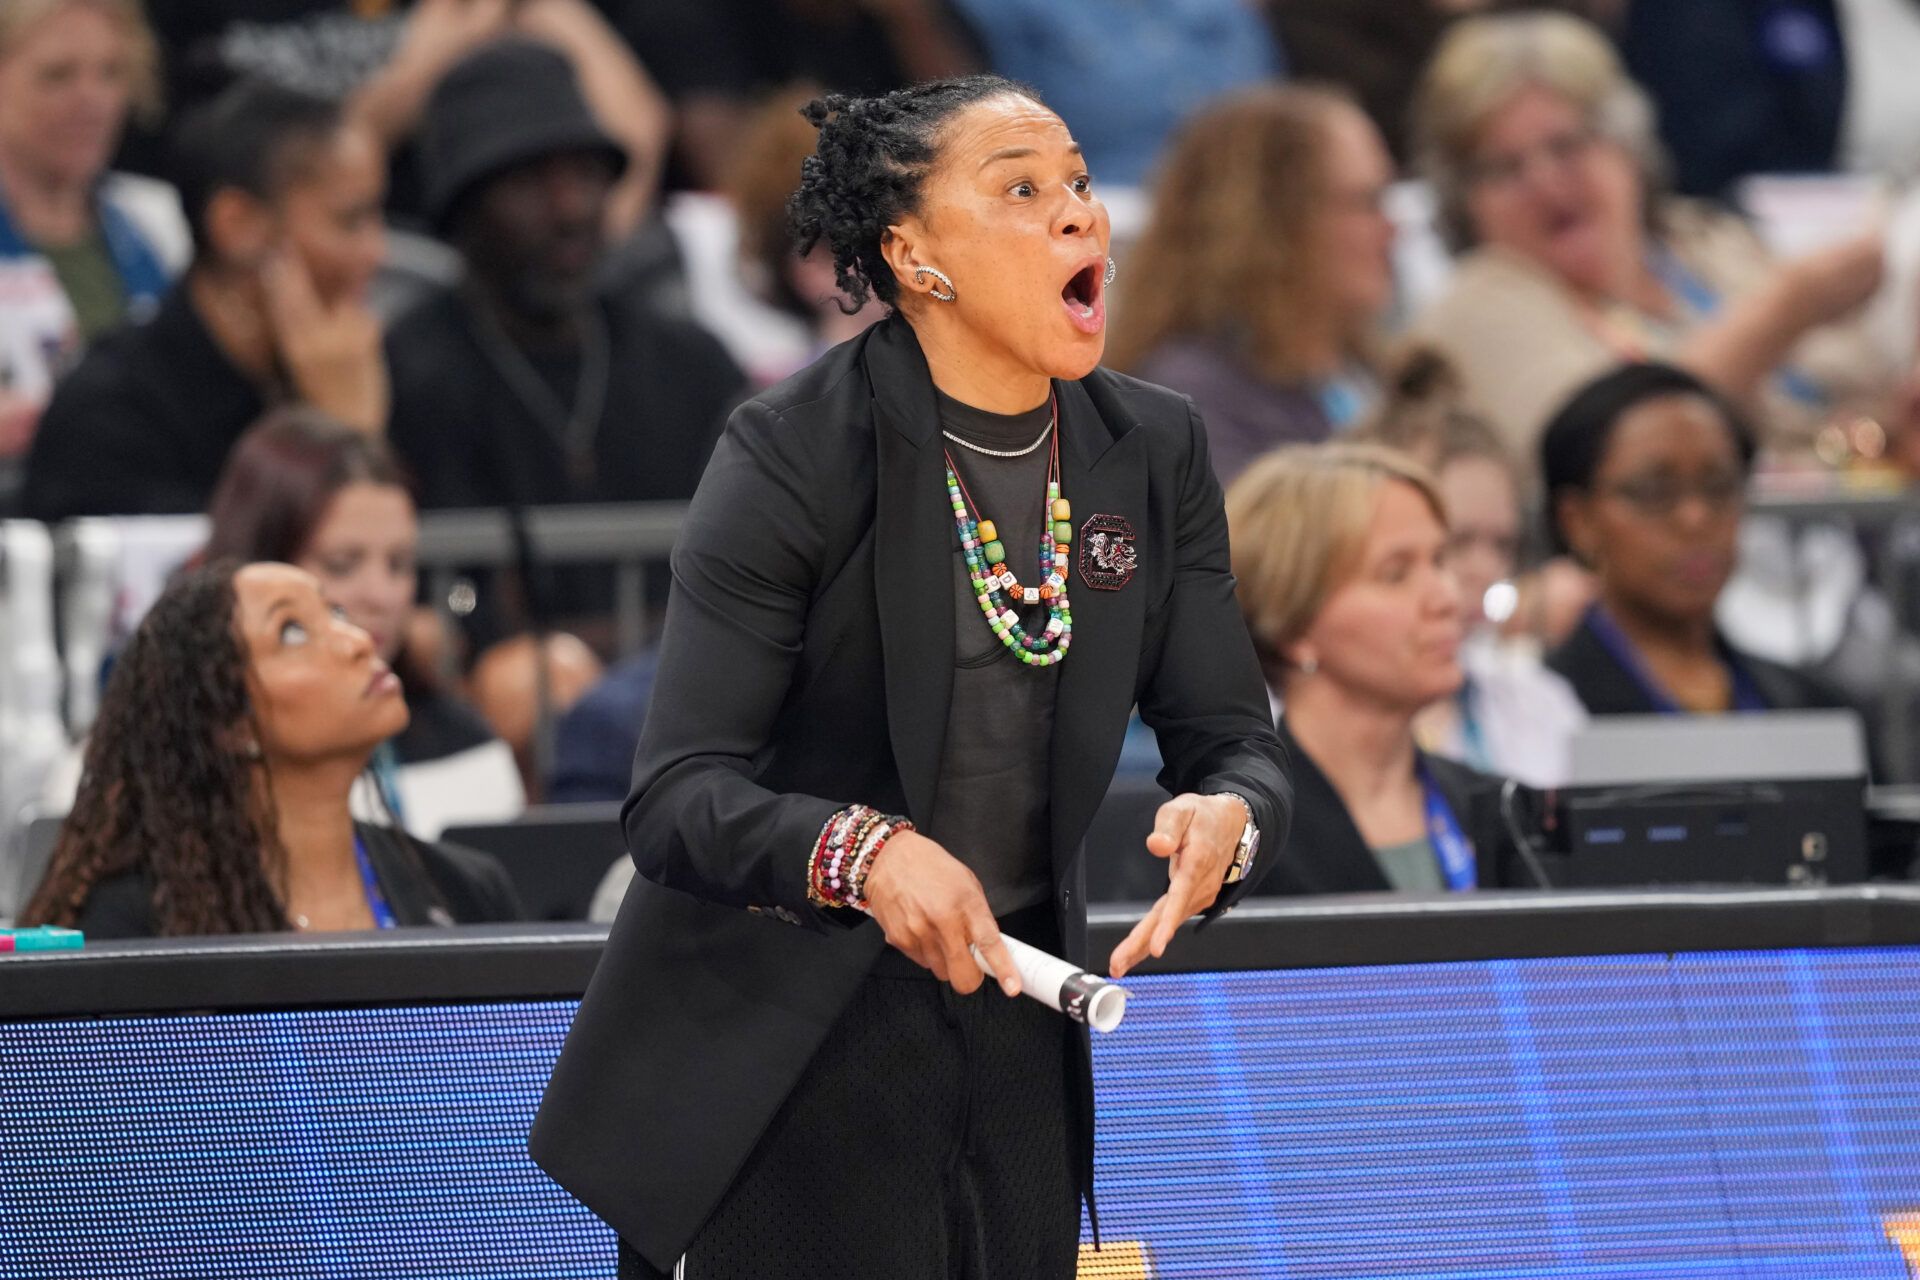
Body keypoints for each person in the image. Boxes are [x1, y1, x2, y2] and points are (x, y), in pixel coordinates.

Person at [531, 76, 1290, 1278]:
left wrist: (1231, 816)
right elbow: (677, 796)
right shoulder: (792, 451)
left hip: (1017, 1014)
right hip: (790, 1034)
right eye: (1021, 190)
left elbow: (1234, 737)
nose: (1079, 213)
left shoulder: (1152, 447)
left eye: (1079, 181)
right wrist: (866, 851)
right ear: (913, 254)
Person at [1406, 11, 1894, 465]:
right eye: (1504, 169)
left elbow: (1862, 377)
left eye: (1566, 146)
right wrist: (1785, 311)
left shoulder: (1704, 241)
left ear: (1626, 145)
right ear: (1462, 201)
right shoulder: (1480, 305)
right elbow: (1608, 449)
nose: (1546, 184)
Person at [19, 560, 522, 938]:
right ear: (230, 724)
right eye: (293, 631)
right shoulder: (133, 926)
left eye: (335, 613)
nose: (357, 641)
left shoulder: (466, 891)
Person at [386, 38, 744, 515]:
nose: (571, 210)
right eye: (528, 182)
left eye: (587, 173)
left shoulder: (692, 368)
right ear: (461, 210)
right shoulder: (404, 379)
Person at [21, 78, 387, 521]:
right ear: (238, 224)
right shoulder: (111, 411)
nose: (377, 252)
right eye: (350, 222)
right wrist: (344, 436)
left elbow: (429, 563)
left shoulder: (372, 364)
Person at [202, 408, 524, 838]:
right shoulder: (182, 762)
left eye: (399, 564)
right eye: (342, 564)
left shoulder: (466, 743)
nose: (382, 596)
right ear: (259, 563)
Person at [1227, 441, 1529, 894]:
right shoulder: (1232, 840)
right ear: (1293, 627)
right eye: (1396, 574)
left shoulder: (1500, 811)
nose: (1447, 598)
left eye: (1439, 561)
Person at [1108, 84, 1398, 486]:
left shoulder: (1362, 369)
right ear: (1277, 225)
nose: (1392, 230)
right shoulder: (1190, 402)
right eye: (1365, 203)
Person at [1541, 361, 1850, 717]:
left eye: (1719, 487)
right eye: (1655, 492)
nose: (1695, 518)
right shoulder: (1540, 711)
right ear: (1578, 521)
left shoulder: (1811, 706)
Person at [1358, 351, 1588, 786]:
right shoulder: (1275, 723)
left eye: (1502, 544)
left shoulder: (1542, 705)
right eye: (1456, 542)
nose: (1485, 569)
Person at [0, 0, 186, 497]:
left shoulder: (161, 221)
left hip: (150, 502)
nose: (92, 100)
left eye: (111, 73)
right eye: (57, 75)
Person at [612, 0, 982, 192]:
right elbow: (733, 182)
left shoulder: (906, 18)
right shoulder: (686, 16)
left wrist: (910, 21)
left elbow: (978, 133)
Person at [945, 0, 1284, 187]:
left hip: (1244, 197)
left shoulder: (1226, 11)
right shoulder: (1002, 12)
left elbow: (1267, 110)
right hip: (1099, 204)